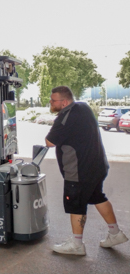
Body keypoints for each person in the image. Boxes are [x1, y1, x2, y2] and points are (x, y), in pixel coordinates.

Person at [45, 86, 128, 256]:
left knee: (76, 204)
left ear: (64, 102)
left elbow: (49, 142)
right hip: (97, 166)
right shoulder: (83, 107)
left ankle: (76, 244)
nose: (51, 103)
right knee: (97, 196)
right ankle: (115, 233)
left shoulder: (64, 118)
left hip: (79, 171)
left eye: (53, 100)